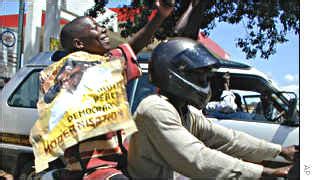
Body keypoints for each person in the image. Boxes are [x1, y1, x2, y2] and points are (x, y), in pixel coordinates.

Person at [127, 38, 298, 179]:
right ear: (177, 76)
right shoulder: (155, 109)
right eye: (201, 77)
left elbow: (227, 139)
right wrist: (267, 172)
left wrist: (281, 150)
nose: (206, 85)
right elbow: (197, 158)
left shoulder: (186, 111)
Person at [38, 1, 173, 179]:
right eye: (94, 28)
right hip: (93, 166)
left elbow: (131, 48)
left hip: (122, 159)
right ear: (79, 43)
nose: (103, 29)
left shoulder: (102, 61)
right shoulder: (66, 70)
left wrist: (160, 15)